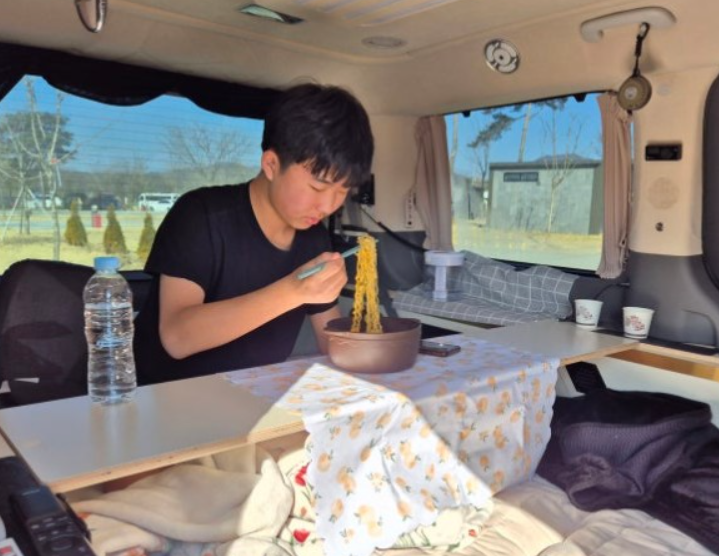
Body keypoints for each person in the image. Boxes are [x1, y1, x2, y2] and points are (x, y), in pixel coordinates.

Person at [134, 83, 374, 384]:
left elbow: (332, 341)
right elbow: (177, 337)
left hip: (255, 392)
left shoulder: (313, 238)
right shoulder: (201, 216)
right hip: (163, 396)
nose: (328, 206)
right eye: (317, 187)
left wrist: (377, 346)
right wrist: (294, 290)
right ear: (271, 165)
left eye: (342, 191)